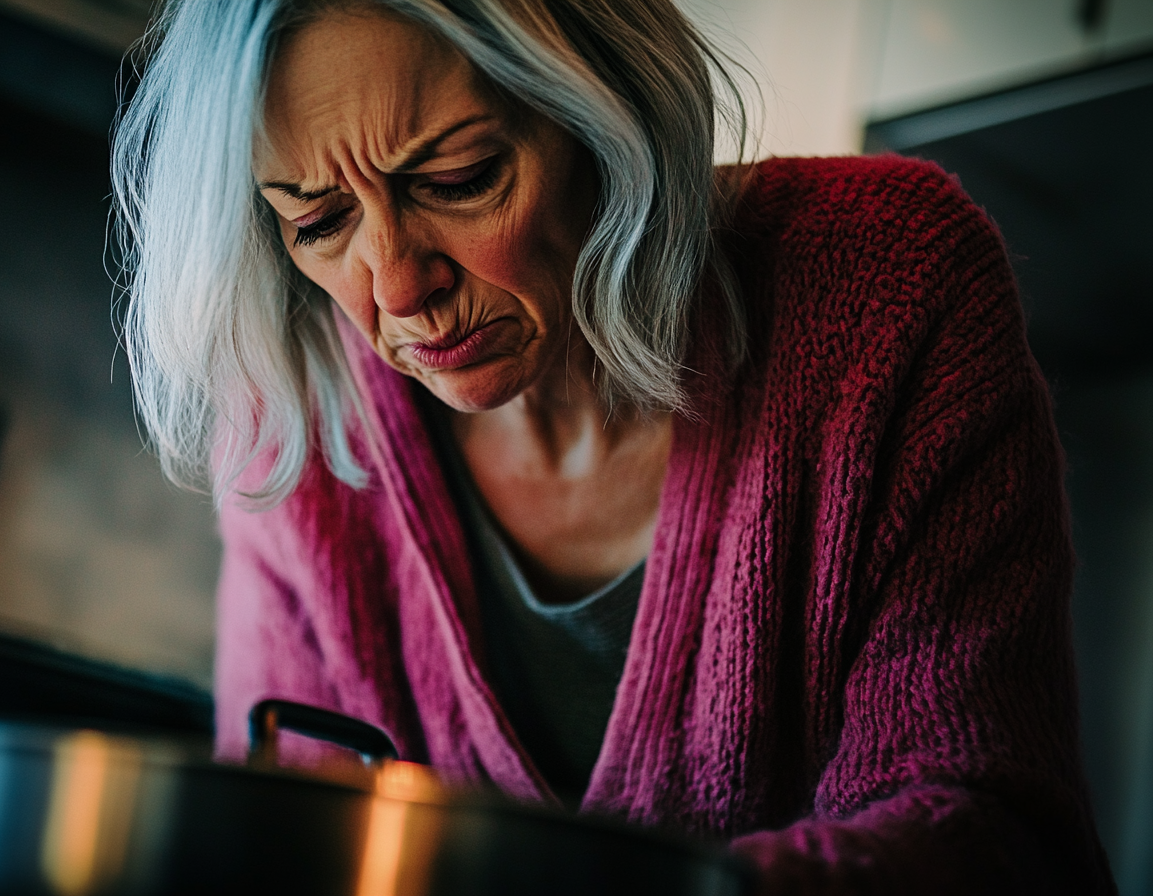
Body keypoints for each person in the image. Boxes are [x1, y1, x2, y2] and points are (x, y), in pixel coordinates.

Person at [111, 0, 1114, 891]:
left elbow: (984, 835)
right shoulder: (293, 414)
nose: (395, 293)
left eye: (459, 179)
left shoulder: (890, 295)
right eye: (318, 221)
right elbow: (284, 841)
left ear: (606, 113)